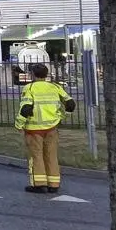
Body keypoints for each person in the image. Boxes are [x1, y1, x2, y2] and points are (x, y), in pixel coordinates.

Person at [15, 62, 75, 194]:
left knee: (36, 156)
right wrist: (63, 116)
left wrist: (19, 125)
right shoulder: (55, 87)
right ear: (46, 74)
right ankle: (53, 184)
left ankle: (39, 184)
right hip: (52, 127)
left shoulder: (29, 88)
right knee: (51, 155)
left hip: (34, 129)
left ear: (32, 75)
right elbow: (70, 104)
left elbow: (26, 109)